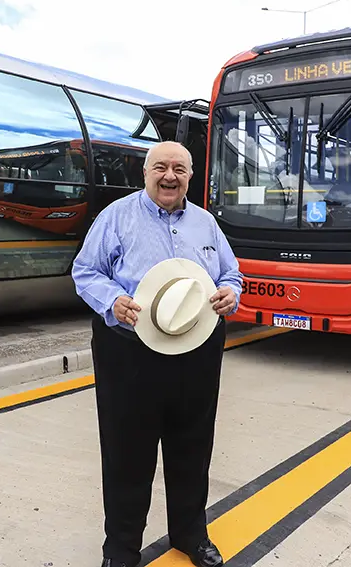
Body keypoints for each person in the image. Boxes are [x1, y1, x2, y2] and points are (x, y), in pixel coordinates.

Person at [71, 141, 242, 567]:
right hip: (129, 352)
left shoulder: (205, 223)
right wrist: (113, 300)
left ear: (190, 175)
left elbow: (232, 272)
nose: (170, 176)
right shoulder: (116, 217)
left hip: (197, 349)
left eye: (180, 169)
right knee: (128, 452)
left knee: (193, 446)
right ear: (145, 173)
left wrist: (231, 293)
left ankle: (190, 534)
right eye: (161, 167)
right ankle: (121, 550)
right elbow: (85, 270)